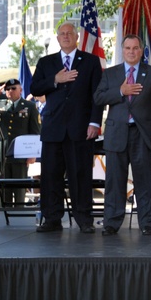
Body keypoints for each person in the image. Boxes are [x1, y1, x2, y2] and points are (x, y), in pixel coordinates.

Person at [30, 22, 103, 233]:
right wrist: (55, 79)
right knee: (51, 176)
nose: (66, 36)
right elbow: (34, 88)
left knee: (80, 176)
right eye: (62, 33)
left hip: (80, 129)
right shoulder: (46, 62)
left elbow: (97, 95)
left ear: (76, 37)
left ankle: (84, 219)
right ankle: (52, 218)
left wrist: (94, 122)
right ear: (57, 38)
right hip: (53, 129)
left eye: (69, 33)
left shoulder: (90, 61)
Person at [94, 35, 151, 235]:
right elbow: (98, 98)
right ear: (122, 50)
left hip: (142, 134)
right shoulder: (111, 74)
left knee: (145, 180)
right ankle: (112, 222)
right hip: (117, 133)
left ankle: (147, 223)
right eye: (128, 48)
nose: (131, 51)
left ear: (141, 51)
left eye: (135, 48)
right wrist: (120, 90)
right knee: (115, 180)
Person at [0, 78, 40, 207]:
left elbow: (35, 131)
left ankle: (19, 213)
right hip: (2, 151)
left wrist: (32, 153)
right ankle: (4, 214)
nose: (10, 91)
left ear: (20, 90)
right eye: (7, 89)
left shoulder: (29, 106)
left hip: (21, 152)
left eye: (13, 89)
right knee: (4, 188)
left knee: (19, 188)